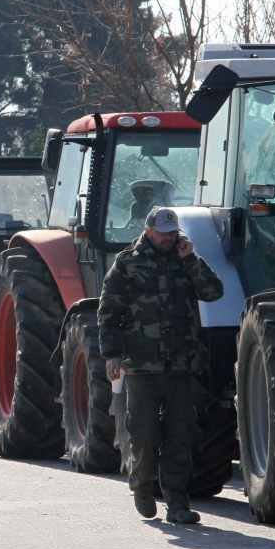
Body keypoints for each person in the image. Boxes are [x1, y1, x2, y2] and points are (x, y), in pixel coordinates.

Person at [98, 206, 224, 524]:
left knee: (180, 436)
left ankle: (177, 505)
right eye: (164, 232)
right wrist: (111, 354)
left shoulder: (184, 261)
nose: (169, 238)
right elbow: (109, 310)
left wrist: (190, 259)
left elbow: (214, 292)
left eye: (173, 232)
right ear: (149, 230)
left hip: (181, 364)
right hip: (141, 364)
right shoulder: (126, 263)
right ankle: (142, 488)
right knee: (144, 435)